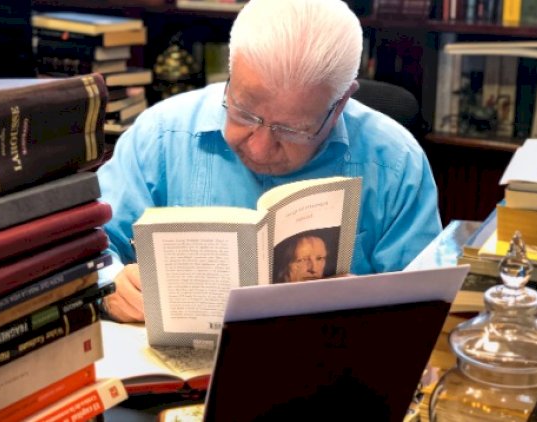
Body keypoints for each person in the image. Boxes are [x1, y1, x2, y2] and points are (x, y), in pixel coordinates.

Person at [98, 0, 442, 323]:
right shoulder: (160, 137)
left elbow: (426, 306)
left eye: (292, 130)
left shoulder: (395, 164)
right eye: (244, 113)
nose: (260, 149)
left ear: (341, 103)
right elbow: (89, 248)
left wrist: (366, 304)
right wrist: (110, 284)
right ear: (230, 72)